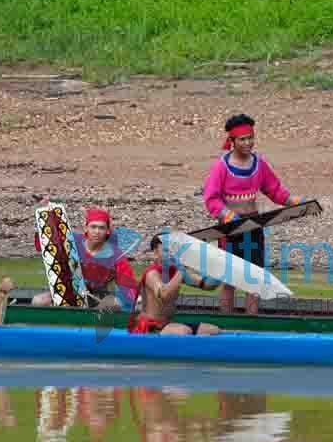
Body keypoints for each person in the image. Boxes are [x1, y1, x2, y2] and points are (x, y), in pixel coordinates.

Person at [202, 114, 307, 314]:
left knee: (255, 276)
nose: (248, 142)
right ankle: (227, 318)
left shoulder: (259, 163)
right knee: (229, 278)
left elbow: (274, 190)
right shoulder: (221, 166)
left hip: (254, 226)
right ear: (231, 141)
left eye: (250, 137)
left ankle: (252, 317)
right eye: (242, 139)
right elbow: (211, 198)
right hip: (230, 228)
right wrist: (225, 214)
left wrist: (293, 201)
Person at [31, 203, 139, 309]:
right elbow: (43, 246)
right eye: (93, 227)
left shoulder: (116, 255)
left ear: (107, 231)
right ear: (86, 228)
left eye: (101, 228)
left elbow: (128, 285)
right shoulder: (72, 241)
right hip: (68, 290)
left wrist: (134, 298)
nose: (97, 231)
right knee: (38, 301)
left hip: (97, 296)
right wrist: (42, 219)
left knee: (113, 303)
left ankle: (92, 321)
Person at [127, 235, 221, 335]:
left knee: (213, 330)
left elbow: (208, 285)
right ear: (155, 252)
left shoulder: (176, 271)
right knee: (184, 331)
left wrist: (219, 268)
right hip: (149, 327)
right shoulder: (152, 274)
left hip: (167, 325)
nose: (172, 254)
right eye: (167, 250)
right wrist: (181, 269)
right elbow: (164, 294)